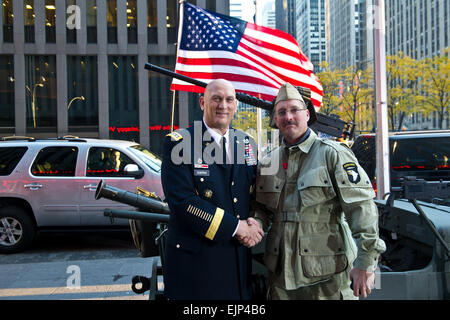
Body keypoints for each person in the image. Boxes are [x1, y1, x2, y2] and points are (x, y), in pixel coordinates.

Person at [252, 82, 386, 300]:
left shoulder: (333, 154)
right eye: (282, 112)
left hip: (328, 279)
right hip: (281, 280)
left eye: (294, 110)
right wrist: (254, 224)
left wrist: (365, 263)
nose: (288, 117)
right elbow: (262, 211)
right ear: (276, 120)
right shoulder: (268, 162)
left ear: (307, 114)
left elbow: (362, 209)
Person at [161, 79, 264, 300]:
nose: (223, 105)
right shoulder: (180, 143)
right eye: (216, 98)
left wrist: (255, 222)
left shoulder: (246, 143)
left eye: (229, 100)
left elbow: (254, 191)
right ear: (202, 102)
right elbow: (184, 202)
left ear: (236, 105)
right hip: (198, 268)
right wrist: (237, 227)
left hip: (238, 263)